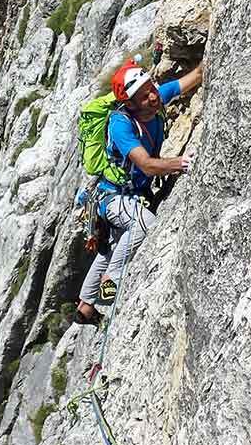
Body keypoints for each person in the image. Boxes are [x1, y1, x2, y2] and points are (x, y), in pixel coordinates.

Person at [76, 59, 203, 324]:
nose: (153, 97)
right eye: (144, 96)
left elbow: (193, 78)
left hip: (124, 195)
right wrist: (180, 163)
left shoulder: (153, 97)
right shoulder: (120, 125)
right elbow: (145, 164)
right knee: (143, 223)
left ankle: (86, 306)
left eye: (152, 89)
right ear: (130, 104)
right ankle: (111, 285)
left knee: (112, 247)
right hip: (113, 197)